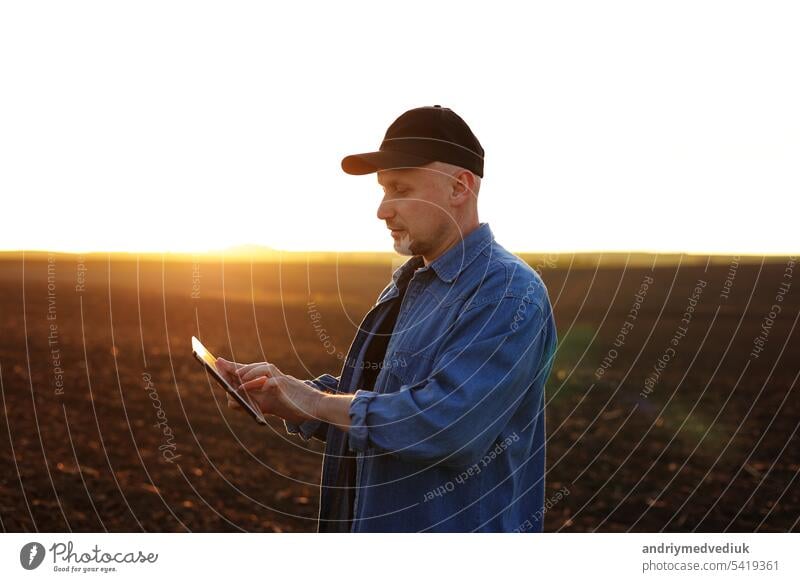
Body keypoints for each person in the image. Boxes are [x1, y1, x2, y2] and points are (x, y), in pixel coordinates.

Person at [217, 105, 558, 532]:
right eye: (382, 190)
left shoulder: (507, 293)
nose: (382, 210)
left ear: (460, 187)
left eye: (399, 188)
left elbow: (446, 425)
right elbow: (378, 403)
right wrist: (288, 397)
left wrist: (316, 403)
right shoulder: (409, 283)